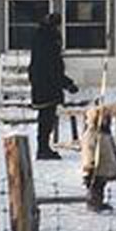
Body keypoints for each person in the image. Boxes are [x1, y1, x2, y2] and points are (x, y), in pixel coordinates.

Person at [29, 13, 79, 160]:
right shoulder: (49, 42)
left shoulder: (40, 38)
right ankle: (43, 149)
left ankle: (43, 147)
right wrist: (67, 83)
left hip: (40, 84)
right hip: (47, 87)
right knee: (46, 118)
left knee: (45, 118)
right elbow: (52, 68)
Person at [81, 106, 116, 212]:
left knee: (102, 184)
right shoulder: (92, 134)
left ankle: (99, 201)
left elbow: (112, 145)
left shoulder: (106, 134)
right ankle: (93, 203)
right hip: (96, 165)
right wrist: (89, 165)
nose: (106, 121)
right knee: (95, 185)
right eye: (103, 118)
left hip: (105, 164)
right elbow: (89, 151)